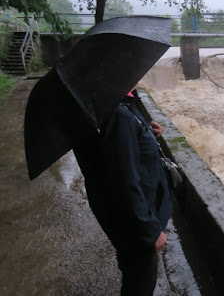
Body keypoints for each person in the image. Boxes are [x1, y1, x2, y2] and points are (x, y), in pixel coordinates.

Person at [73, 87, 173, 296]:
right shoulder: (117, 115)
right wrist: (150, 231)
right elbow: (123, 180)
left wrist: (144, 129)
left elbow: (120, 151)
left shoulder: (116, 107)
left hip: (132, 217)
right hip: (137, 223)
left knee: (138, 277)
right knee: (140, 285)